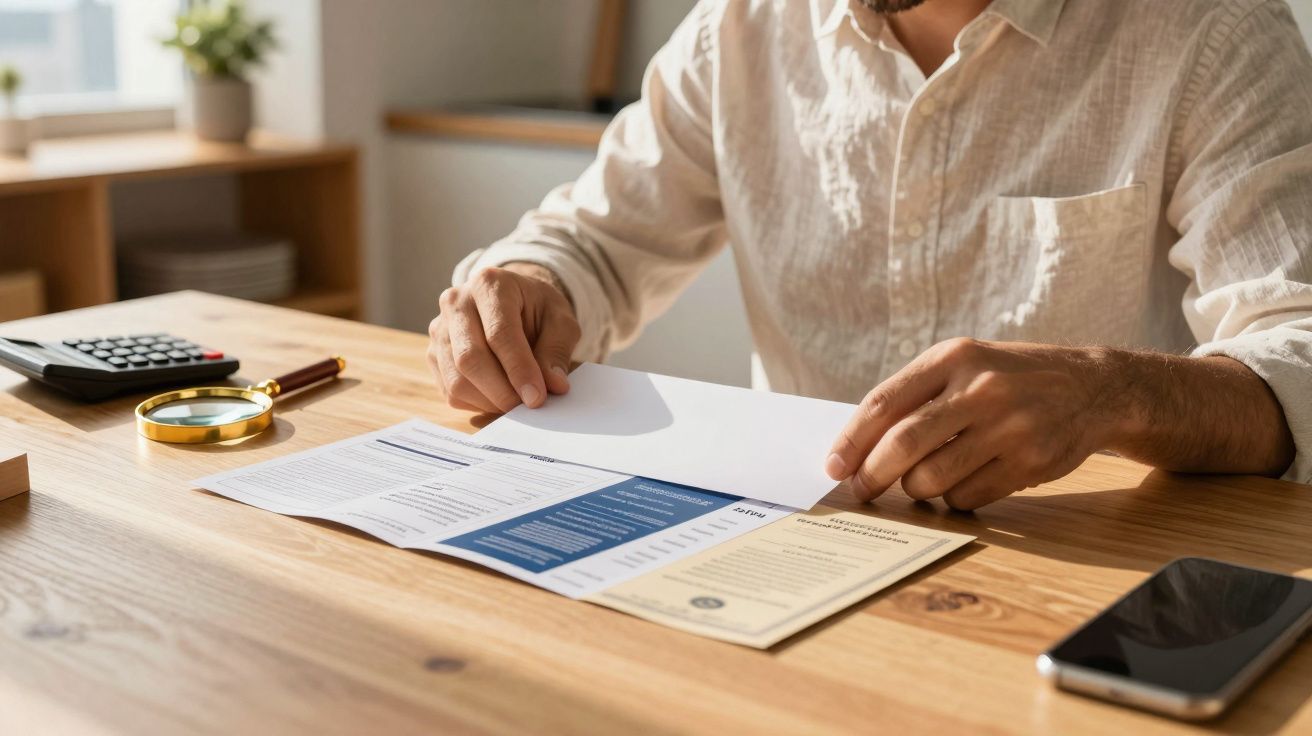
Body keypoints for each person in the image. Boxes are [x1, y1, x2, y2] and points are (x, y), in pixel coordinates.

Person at [427, 0, 1312, 510]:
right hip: (774, 556)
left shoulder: (1212, 32)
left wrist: (1108, 392)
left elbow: (1298, 353)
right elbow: (594, 239)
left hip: (1078, 576)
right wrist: (531, 286)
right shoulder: (740, 27)